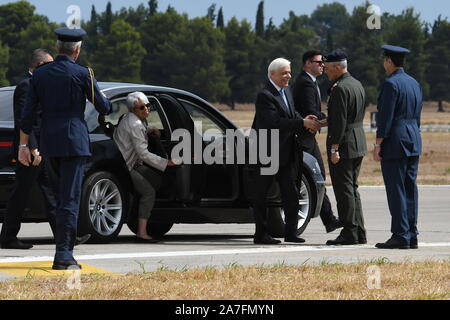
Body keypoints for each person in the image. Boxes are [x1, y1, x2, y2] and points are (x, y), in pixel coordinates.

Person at [18, 28, 112, 270]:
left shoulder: (39, 75)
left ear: (58, 47)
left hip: (49, 143)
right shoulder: (83, 73)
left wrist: (23, 145)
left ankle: (63, 250)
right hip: (74, 142)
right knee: (69, 199)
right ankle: (63, 255)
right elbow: (104, 107)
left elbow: (27, 115)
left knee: (60, 198)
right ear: (77, 50)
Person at [1, 49, 91, 250]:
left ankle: (65, 237)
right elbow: (25, 121)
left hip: (43, 149)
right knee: (21, 193)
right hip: (33, 151)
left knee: (51, 194)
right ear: (41, 66)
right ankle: (7, 237)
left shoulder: (39, 84)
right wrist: (32, 147)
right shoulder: (27, 85)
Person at [250, 58, 320, 245]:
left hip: (288, 152)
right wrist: (301, 123)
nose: (288, 76)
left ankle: (291, 232)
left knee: (291, 193)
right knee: (262, 195)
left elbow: (292, 115)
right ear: (271, 74)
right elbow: (273, 123)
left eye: (289, 72)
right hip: (267, 152)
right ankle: (261, 234)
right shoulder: (264, 95)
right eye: (284, 73)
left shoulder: (287, 91)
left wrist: (305, 120)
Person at [374, 45, 423, 250]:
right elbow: (417, 114)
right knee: (410, 188)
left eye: (385, 60)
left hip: (395, 141)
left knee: (396, 190)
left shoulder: (390, 84)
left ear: (389, 61)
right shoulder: (414, 83)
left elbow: (386, 117)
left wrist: (378, 143)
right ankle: (411, 233)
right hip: (413, 139)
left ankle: (400, 234)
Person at [114, 92, 178, 243]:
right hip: (127, 167)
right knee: (148, 192)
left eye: (148, 106)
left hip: (127, 163)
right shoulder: (135, 124)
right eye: (141, 107)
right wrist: (166, 162)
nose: (146, 110)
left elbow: (139, 134)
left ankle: (141, 217)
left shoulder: (132, 119)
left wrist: (150, 131)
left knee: (154, 181)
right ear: (133, 110)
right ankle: (142, 232)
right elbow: (143, 154)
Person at [292, 50, 343, 234]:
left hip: (307, 136)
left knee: (317, 176)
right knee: (317, 175)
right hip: (304, 138)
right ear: (307, 63)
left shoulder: (309, 82)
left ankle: (329, 219)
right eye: (319, 62)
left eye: (323, 63)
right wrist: (331, 116)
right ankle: (329, 219)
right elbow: (310, 111)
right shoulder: (305, 83)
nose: (322, 65)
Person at [323, 51, 367, 246]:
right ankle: (359, 231)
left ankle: (349, 232)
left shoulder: (340, 89)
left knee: (344, 190)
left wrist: (334, 148)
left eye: (327, 68)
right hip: (357, 142)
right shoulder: (356, 84)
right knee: (353, 188)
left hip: (344, 145)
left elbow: (340, 122)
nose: (325, 72)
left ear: (337, 67)